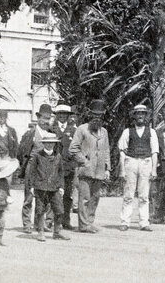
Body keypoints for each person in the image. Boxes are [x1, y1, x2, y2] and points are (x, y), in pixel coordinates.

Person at [68, 99, 111, 234]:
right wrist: (84, 161)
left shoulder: (104, 132)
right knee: (85, 198)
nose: (97, 117)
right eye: (94, 115)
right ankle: (83, 224)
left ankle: (90, 222)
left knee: (95, 197)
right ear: (90, 115)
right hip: (85, 170)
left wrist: (107, 168)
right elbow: (73, 148)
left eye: (99, 115)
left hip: (99, 170)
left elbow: (107, 150)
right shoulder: (82, 129)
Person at [117, 103, 159, 232]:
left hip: (146, 162)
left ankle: (144, 223)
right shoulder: (127, 131)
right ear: (134, 116)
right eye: (138, 114)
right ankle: (125, 222)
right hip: (131, 162)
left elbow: (154, 152)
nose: (140, 116)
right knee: (128, 194)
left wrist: (154, 169)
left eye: (143, 114)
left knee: (144, 195)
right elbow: (122, 151)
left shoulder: (151, 132)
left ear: (146, 116)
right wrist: (122, 170)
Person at [26, 133, 70, 242]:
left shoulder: (58, 156)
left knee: (59, 210)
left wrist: (61, 187)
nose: (50, 145)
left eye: (52, 143)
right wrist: (32, 186)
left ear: (55, 144)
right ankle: (40, 232)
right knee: (40, 210)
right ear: (43, 144)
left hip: (54, 187)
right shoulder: (37, 155)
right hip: (40, 187)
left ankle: (57, 232)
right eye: (47, 143)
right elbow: (32, 172)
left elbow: (60, 173)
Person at [18, 103, 55, 233]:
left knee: (44, 196)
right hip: (32, 167)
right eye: (44, 118)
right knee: (29, 196)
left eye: (48, 118)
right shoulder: (30, 134)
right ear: (38, 117)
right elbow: (21, 152)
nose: (46, 121)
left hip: (46, 168)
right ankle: (27, 224)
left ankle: (40, 223)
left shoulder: (52, 134)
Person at [51, 104, 77, 229]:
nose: (62, 116)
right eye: (59, 113)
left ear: (68, 116)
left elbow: (77, 147)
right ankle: (50, 220)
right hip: (53, 167)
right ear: (56, 115)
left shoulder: (73, 130)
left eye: (64, 114)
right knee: (52, 194)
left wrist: (73, 164)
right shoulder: (51, 129)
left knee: (67, 195)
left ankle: (65, 221)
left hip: (68, 167)